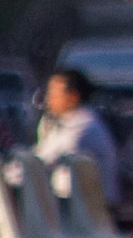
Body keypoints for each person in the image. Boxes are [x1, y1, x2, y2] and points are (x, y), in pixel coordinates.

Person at [34, 67, 121, 207]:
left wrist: (4, 174)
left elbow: (44, 159)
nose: (48, 99)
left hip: (94, 212)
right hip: (78, 207)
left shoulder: (84, 127)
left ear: (73, 96)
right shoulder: (65, 123)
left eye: (54, 94)